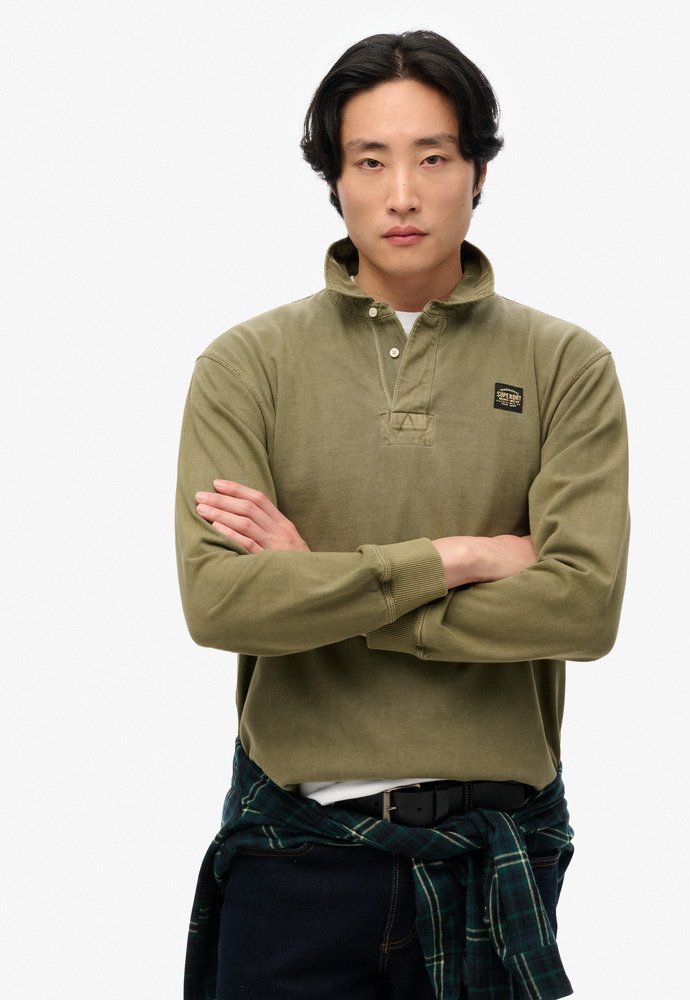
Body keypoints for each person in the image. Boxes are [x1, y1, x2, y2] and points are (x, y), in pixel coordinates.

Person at [176, 29, 629, 1000]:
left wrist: (323, 583)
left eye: (433, 157)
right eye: (370, 161)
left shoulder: (566, 365)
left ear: (478, 170)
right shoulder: (245, 366)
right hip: (293, 857)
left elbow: (582, 607)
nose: (403, 194)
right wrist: (461, 556)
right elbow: (220, 602)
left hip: (492, 855)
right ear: (334, 180)